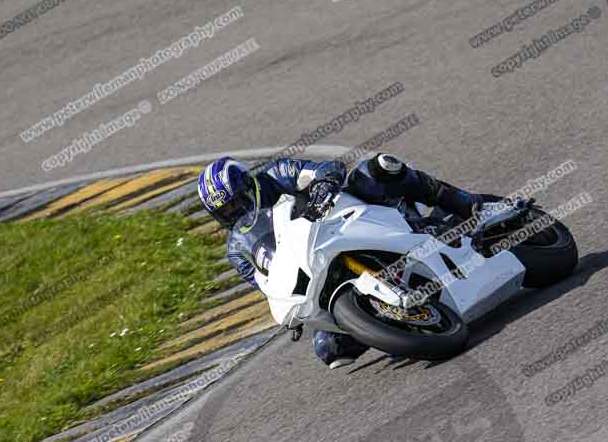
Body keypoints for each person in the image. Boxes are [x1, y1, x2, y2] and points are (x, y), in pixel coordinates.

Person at [197, 154, 483, 369]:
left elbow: (328, 167)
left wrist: (323, 185)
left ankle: (459, 201)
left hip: (341, 220)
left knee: (377, 169)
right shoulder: (237, 248)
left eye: (237, 202)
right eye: (226, 212)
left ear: (250, 185)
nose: (235, 213)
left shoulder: (277, 173)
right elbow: (265, 283)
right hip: (314, 265)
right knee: (329, 348)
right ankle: (397, 325)